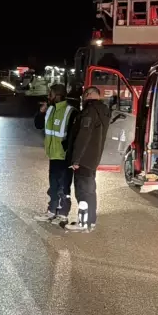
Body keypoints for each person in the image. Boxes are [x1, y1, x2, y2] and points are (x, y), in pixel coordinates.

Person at [66, 85, 110, 232]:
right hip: (92, 159)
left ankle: (83, 223)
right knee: (90, 190)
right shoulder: (103, 111)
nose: (82, 99)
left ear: (89, 95)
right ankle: (90, 220)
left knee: (83, 190)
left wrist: (76, 159)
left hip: (84, 159)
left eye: (84, 96)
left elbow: (83, 136)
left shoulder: (89, 112)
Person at [34, 83, 75, 225]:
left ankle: (63, 214)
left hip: (65, 157)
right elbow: (39, 125)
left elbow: (73, 136)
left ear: (58, 95)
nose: (48, 96)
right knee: (53, 186)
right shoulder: (50, 110)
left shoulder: (70, 111)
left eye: (50, 94)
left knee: (64, 186)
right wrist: (41, 112)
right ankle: (51, 211)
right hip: (53, 155)